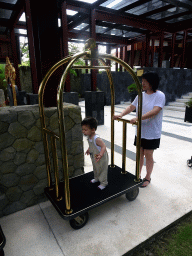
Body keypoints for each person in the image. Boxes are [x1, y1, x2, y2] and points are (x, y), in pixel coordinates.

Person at [113, 71, 165, 187]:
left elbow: (156, 111)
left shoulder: (159, 95)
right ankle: (138, 175)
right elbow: (132, 106)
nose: (142, 83)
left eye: (145, 81)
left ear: (152, 83)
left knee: (148, 154)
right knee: (139, 154)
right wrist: (121, 114)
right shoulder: (140, 95)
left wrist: (138, 118)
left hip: (152, 132)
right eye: (142, 81)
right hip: (140, 131)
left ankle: (148, 177)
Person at [81, 117, 109, 190]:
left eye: (85, 130)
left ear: (93, 129)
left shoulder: (97, 139)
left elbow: (103, 146)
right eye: (82, 129)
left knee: (102, 170)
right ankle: (96, 178)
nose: (83, 131)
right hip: (94, 156)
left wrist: (100, 155)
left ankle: (103, 183)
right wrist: (88, 149)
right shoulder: (90, 137)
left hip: (102, 158)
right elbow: (92, 145)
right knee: (96, 168)